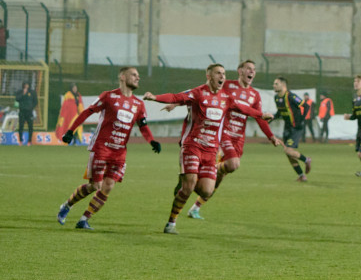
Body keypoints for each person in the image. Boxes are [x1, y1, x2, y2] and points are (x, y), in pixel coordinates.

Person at [143, 63, 265, 234]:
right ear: (209, 76)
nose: (222, 77)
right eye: (218, 73)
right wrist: (155, 97)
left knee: (207, 191)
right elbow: (176, 96)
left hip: (211, 150)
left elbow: (243, 108)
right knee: (190, 185)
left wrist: (261, 114)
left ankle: (185, 181)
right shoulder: (198, 92)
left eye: (223, 73)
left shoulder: (226, 97)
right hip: (193, 145)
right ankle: (171, 223)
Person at [56, 67, 161, 230]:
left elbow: (143, 126)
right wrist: (71, 131)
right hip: (101, 148)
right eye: (134, 75)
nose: (137, 78)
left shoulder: (139, 104)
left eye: (138, 76)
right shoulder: (109, 96)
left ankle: (84, 219)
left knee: (109, 185)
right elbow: (87, 112)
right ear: (122, 77)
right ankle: (67, 205)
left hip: (120, 152)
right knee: (94, 186)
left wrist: (152, 141)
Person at [186, 60, 281, 220]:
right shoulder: (226, 85)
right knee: (233, 164)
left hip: (239, 138)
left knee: (220, 177)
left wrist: (271, 136)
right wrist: (177, 103)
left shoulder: (254, 95)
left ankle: (195, 207)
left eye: (254, 69)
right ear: (240, 71)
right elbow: (201, 91)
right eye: (248, 68)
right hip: (223, 133)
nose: (252, 71)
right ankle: (208, 170)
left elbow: (258, 117)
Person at [270, 76, 312, 182]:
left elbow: (306, 106)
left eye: (276, 83)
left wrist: (301, 120)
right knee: (288, 153)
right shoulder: (276, 98)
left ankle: (306, 160)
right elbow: (280, 112)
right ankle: (302, 176)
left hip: (296, 128)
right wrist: (271, 119)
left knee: (288, 150)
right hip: (287, 128)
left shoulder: (291, 96)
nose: (273, 85)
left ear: (283, 85)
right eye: (274, 84)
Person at [14, 81, 37, 145]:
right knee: (21, 126)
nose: (26, 86)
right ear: (23, 85)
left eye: (27, 85)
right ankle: (20, 141)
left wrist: (31, 107)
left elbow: (35, 101)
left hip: (29, 112)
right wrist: (23, 94)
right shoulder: (20, 92)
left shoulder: (32, 92)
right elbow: (17, 99)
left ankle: (29, 141)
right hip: (22, 111)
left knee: (30, 126)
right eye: (25, 85)